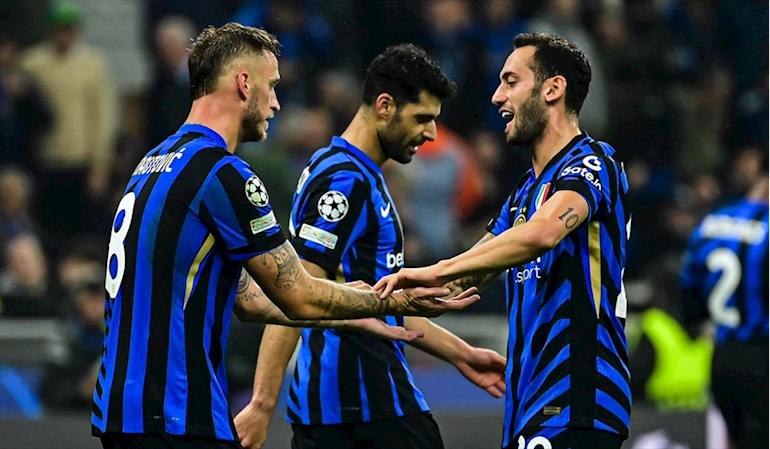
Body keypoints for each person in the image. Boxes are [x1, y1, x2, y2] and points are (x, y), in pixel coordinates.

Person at [91, 23, 480, 449]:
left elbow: (252, 299)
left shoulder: (154, 162)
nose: (276, 102)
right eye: (272, 86)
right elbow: (297, 293)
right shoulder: (222, 173)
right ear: (244, 84)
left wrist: (353, 311)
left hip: (121, 413)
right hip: (177, 412)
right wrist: (394, 301)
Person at [233, 44, 508, 449]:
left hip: (347, 410)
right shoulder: (345, 181)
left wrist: (460, 353)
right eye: (422, 118)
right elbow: (292, 292)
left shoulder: (351, 171)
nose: (431, 134)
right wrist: (261, 403)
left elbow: (381, 303)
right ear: (384, 106)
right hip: (363, 411)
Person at [375, 33, 632, 449]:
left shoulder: (593, 161)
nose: (497, 97)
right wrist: (375, 298)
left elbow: (542, 233)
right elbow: (467, 274)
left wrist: (438, 269)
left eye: (511, 81)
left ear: (553, 88)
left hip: (578, 397)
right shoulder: (523, 195)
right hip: (529, 403)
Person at [679, 175, 769, 449]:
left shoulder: (713, 221)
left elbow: (689, 285)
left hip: (722, 358)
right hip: (762, 353)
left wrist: (696, 321)